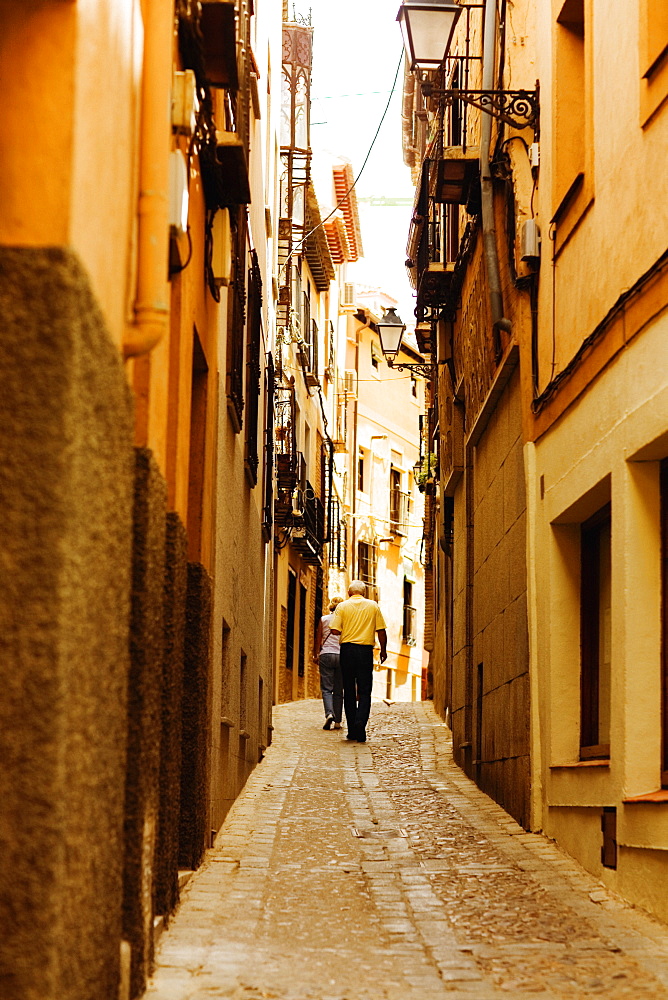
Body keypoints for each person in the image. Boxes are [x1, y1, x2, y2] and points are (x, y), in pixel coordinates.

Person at [328, 581, 387, 743]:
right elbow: (381, 630)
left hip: (347, 651)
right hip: (365, 652)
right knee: (365, 690)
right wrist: (383, 650)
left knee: (348, 689)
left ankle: (352, 730)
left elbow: (334, 629)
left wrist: (347, 628)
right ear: (364, 593)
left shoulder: (342, 607)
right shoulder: (373, 606)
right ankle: (361, 722)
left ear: (348, 593)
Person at [315, 596, 344, 731]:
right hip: (341, 656)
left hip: (326, 654)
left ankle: (329, 714)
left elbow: (318, 638)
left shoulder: (323, 619)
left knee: (326, 689)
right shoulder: (346, 621)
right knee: (339, 690)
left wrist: (315, 654)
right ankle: (338, 721)